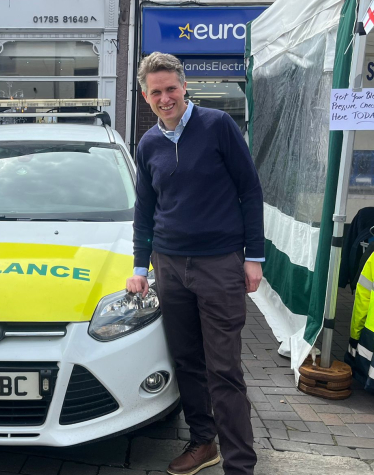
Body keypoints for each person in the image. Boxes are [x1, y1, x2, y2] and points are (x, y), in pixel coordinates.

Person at [126, 52, 264, 475]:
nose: (164, 98)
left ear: (184, 87)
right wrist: (139, 266)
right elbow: (144, 210)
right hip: (168, 266)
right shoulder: (148, 144)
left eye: (171, 89)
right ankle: (204, 442)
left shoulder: (218, 126)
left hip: (219, 265)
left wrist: (253, 257)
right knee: (186, 360)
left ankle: (240, 464)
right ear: (144, 95)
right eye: (155, 92)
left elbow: (250, 191)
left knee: (223, 367)